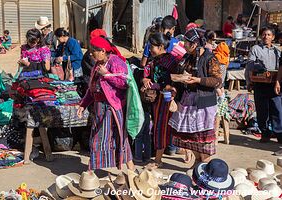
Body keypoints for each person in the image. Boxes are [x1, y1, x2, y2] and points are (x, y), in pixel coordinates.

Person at [76, 36, 135, 171]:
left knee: (119, 137)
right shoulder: (97, 66)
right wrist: (83, 104)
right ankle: (92, 171)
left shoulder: (116, 62)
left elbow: (124, 83)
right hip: (99, 109)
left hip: (112, 108)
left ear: (103, 51)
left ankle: (131, 170)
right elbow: (92, 88)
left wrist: (107, 74)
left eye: (93, 51)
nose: (91, 54)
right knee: (98, 138)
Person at [168, 28, 222, 167]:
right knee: (192, 139)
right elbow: (178, 77)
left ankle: (203, 165)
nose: (183, 45)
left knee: (203, 140)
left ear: (193, 44)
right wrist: (175, 88)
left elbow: (217, 81)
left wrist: (197, 80)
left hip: (204, 104)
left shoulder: (210, 59)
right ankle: (197, 164)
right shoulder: (187, 58)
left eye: (185, 42)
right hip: (188, 102)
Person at [142, 32, 181, 168]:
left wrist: (157, 85)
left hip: (166, 99)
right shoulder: (154, 61)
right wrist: (145, 79)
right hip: (157, 99)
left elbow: (174, 81)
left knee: (161, 128)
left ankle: (158, 160)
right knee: (161, 127)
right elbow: (146, 72)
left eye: (151, 46)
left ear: (160, 46)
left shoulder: (171, 61)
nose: (149, 49)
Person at [248, 27, 282, 143]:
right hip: (260, 84)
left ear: (273, 37)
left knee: (277, 109)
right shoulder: (255, 49)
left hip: (274, 84)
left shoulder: (278, 51)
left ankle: (279, 134)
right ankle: (265, 133)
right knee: (262, 110)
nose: (266, 37)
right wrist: (249, 81)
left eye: (268, 35)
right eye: (264, 34)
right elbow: (250, 66)